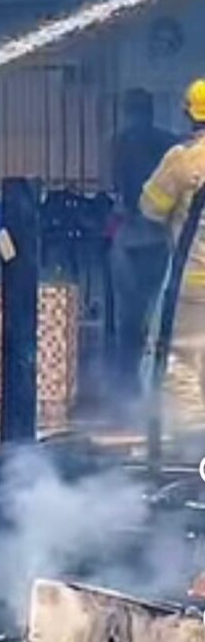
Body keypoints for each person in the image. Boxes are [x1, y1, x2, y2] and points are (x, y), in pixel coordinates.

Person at [141, 79, 205, 425]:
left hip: (192, 284)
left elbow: (151, 206)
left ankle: (193, 444)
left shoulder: (183, 161)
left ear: (188, 115)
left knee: (180, 360)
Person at [109, 88, 177, 391]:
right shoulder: (169, 143)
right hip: (159, 238)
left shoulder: (120, 142)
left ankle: (129, 387)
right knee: (159, 316)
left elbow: (119, 190)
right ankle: (150, 388)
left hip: (133, 238)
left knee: (129, 320)